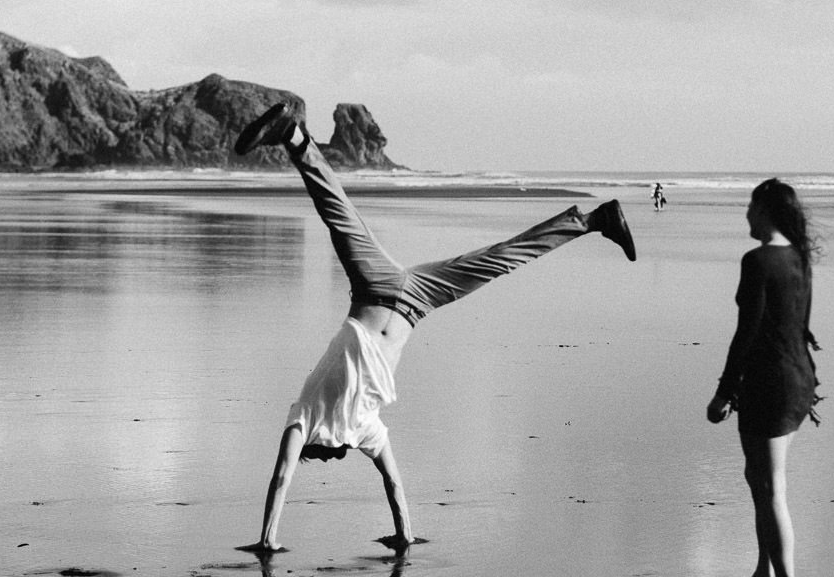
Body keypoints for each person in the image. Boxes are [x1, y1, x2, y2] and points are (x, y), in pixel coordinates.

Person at [234, 101, 636, 554]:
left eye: (320, 458)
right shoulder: (363, 429)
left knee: (341, 214)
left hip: (376, 289)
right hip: (413, 301)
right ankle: (594, 221)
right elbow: (390, 482)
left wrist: (268, 540)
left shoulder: (306, 418)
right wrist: (404, 534)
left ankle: (292, 136)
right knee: (493, 260)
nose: (327, 459)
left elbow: (283, 476)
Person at [706, 179, 821, 577]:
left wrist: (724, 392)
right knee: (761, 480)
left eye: (751, 207)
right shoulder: (799, 258)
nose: (746, 215)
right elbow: (799, 325)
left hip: (769, 384)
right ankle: (763, 575)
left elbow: (747, 333)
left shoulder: (757, 261)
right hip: (799, 379)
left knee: (770, 488)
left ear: (765, 211)